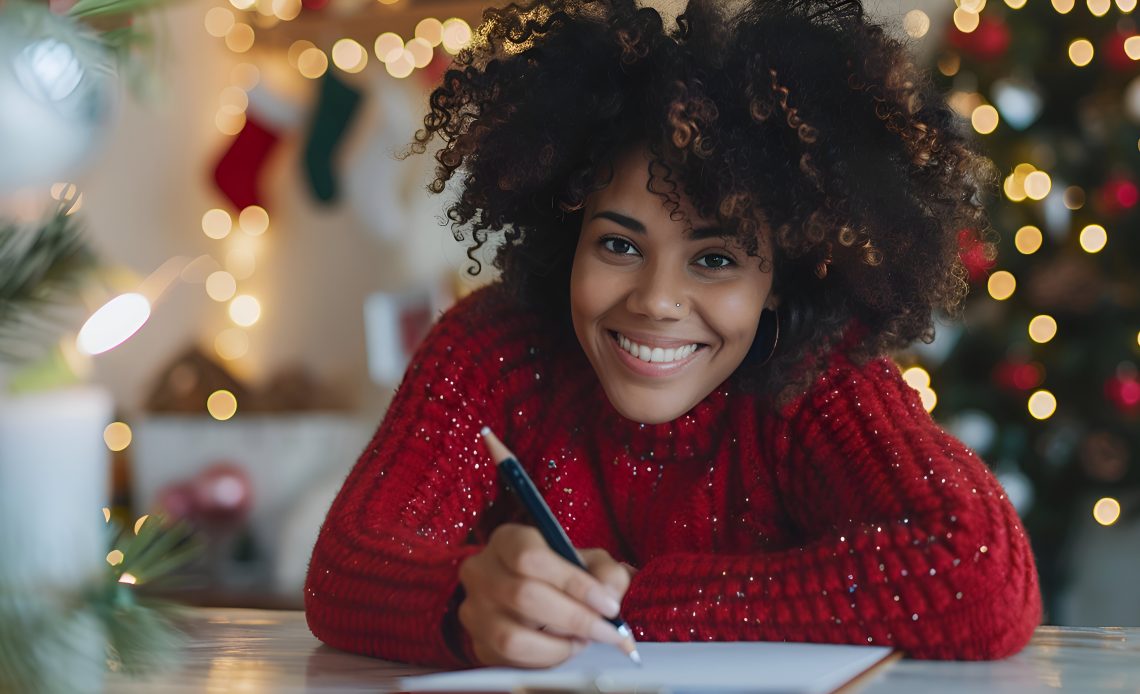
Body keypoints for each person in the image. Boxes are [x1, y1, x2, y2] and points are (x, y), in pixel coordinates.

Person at [304, 0, 1042, 668]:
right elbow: (344, 565)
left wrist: (640, 602)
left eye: (715, 259)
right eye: (619, 245)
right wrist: (464, 600)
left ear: (781, 276)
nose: (657, 301)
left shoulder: (816, 374)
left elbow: (979, 575)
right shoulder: (497, 349)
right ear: (567, 231)